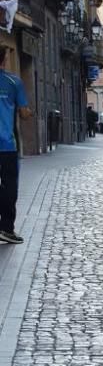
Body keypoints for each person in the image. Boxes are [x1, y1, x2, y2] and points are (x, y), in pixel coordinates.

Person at [0, 46, 33, 244]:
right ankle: (7, 228)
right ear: (3, 59)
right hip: (7, 144)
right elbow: (23, 113)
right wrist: (30, 112)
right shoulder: (14, 82)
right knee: (9, 185)